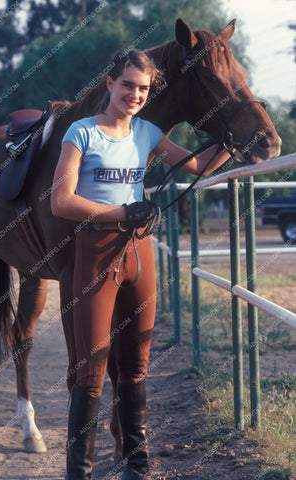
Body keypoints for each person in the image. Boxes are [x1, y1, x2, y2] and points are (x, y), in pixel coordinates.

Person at [51, 49, 234, 480]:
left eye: (143, 88)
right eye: (127, 85)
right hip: (96, 254)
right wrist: (123, 214)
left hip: (139, 254)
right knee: (91, 368)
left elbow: (195, 165)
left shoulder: (148, 133)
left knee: (136, 364)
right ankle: (78, 472)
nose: (134, 94)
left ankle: (137, 464)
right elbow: (61, 201)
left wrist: (233, 141)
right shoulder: (82, 133)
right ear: (110, 84)